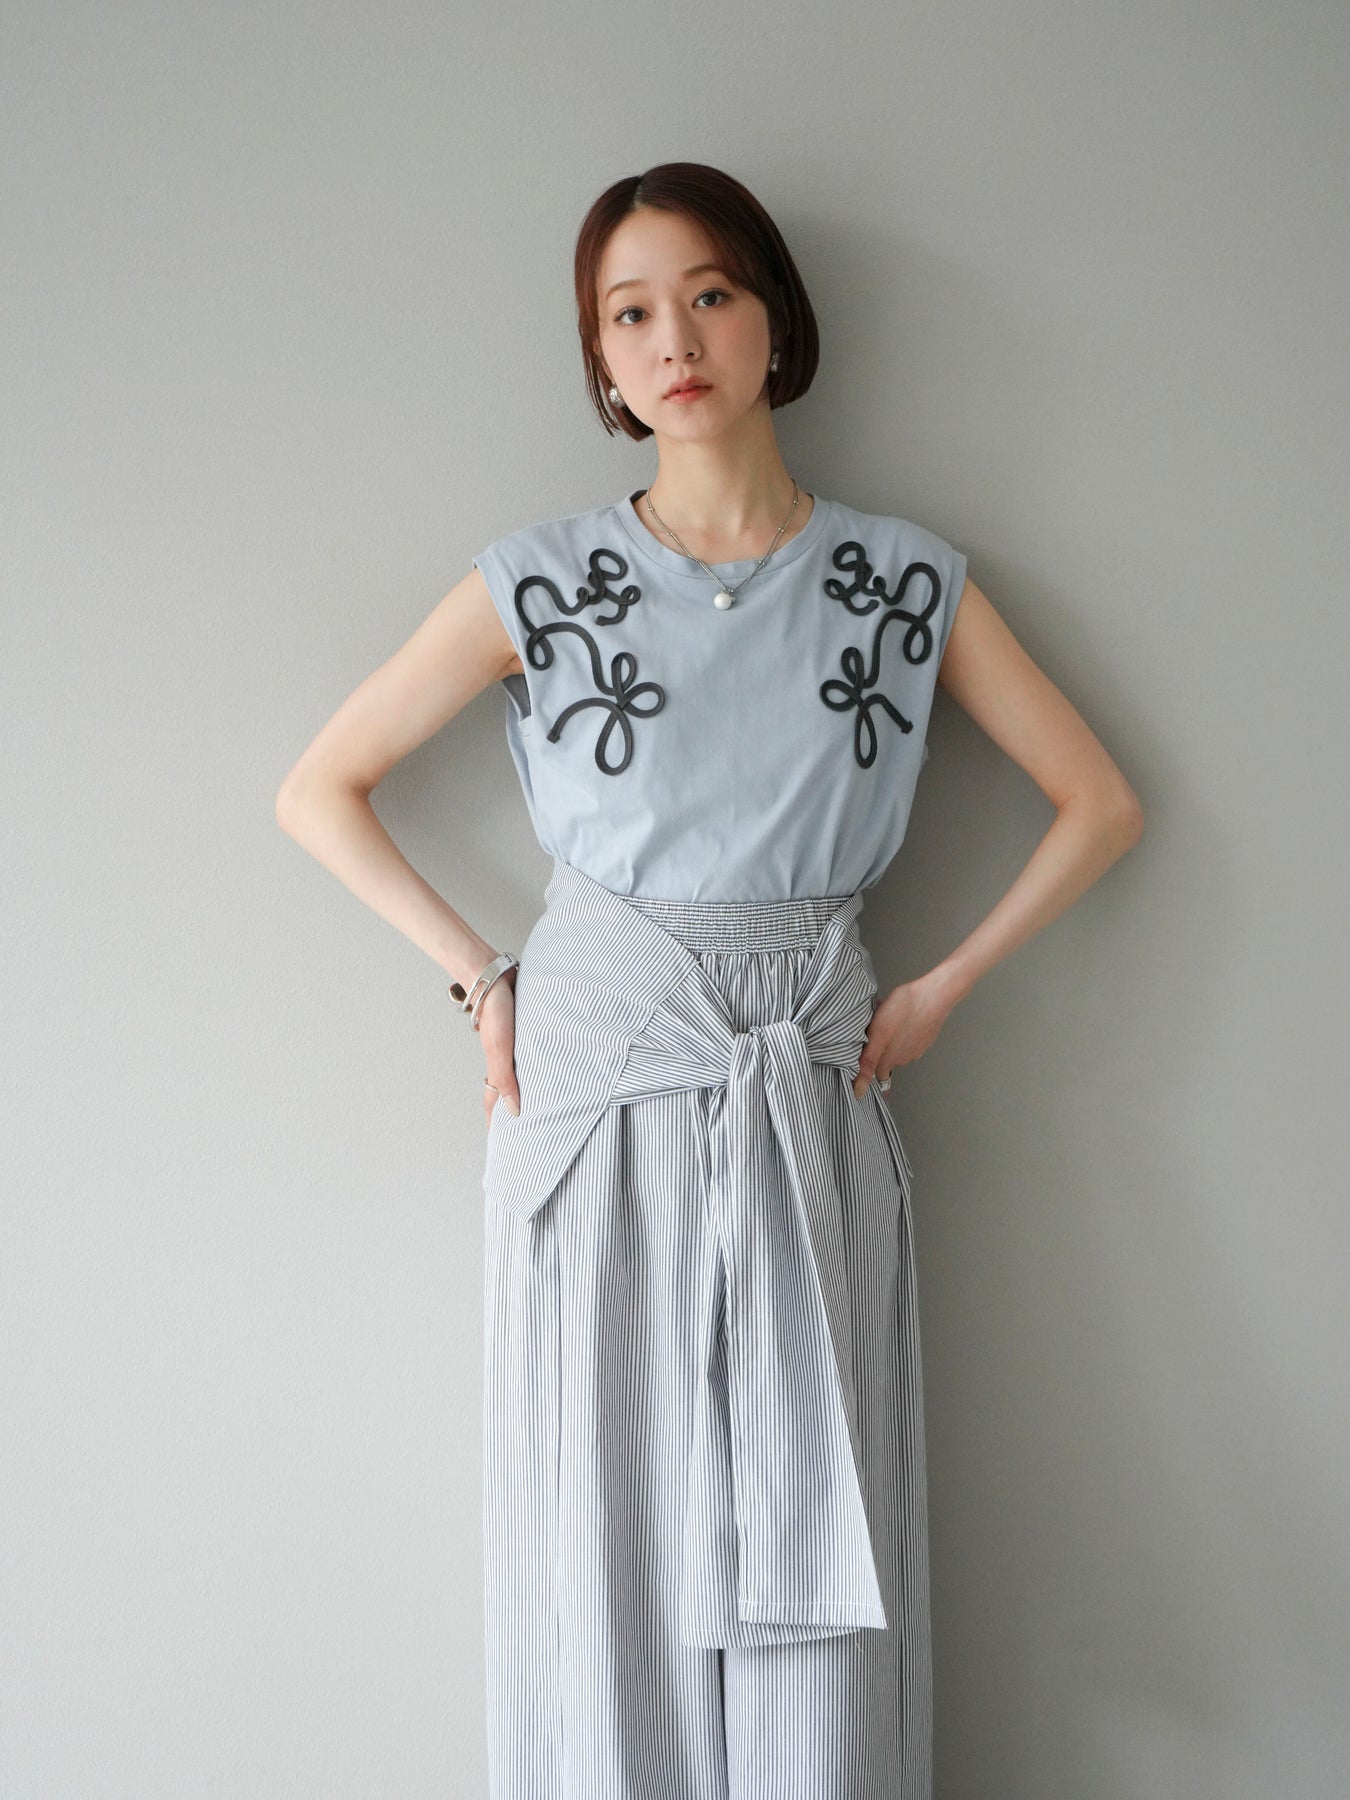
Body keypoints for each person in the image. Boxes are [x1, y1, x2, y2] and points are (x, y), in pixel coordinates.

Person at [276, 161, 1143, 1800]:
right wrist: (480, 980)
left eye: (708, 295)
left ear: (773, 323)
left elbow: (1098, 803)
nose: (671, 339)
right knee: (608, 1533)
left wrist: (942, 990)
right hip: (597, 1089)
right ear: (600, 364)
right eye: (628, 314)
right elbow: (318, 790)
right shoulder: (539, 580)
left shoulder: (901, 581)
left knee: (824, 1532)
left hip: (810, 1087)